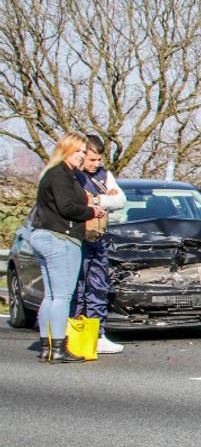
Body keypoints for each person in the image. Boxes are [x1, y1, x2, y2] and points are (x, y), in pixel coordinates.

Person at [29, 132, 107, 363]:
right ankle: (60, 348)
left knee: (51, 296)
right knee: (62, 296)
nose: (82, 156)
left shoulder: (52, 174)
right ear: (66, 149)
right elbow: (66, 207)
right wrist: (92, 211)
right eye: (78, 152)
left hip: (43, 236)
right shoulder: (61, 175)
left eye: (84, 152)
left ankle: (47, 347)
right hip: (60, 238)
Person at [71, 135, 127, 354]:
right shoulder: (73, 175)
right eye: (91, 160)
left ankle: (98, 334)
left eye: (99, 160)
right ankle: (74, 332)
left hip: (98, 236)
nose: (95, 165)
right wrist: (103, 198)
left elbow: (120, 200)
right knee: (78, 288)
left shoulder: (104, 175)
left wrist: (97, 199)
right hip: (78, 238)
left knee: (98, 287)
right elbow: (75, 203)